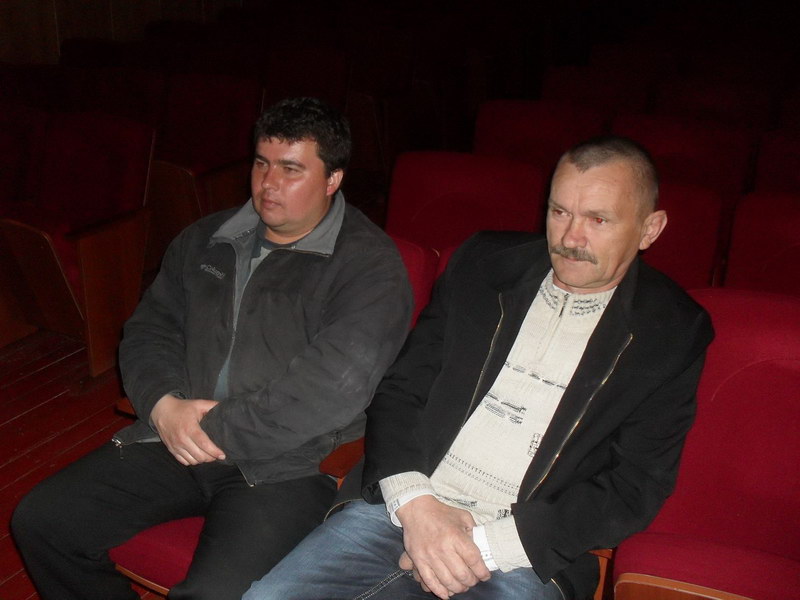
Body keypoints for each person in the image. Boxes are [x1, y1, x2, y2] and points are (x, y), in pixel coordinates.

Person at [243, 135, 715, 600]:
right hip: (404, 505)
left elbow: (635, 484)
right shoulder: (483, 265)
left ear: (650, 228)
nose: (571, 239)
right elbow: (402, 389)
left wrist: (482, 546)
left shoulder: (671, 332)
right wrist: (418, 509)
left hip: (523, 551)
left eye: (598, 219)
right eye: (559, 212)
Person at [11, 97, 413, 600]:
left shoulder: (369, 267)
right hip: (174, 437)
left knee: (214, 594)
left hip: (287, 463)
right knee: (43, 521)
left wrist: (204, 430)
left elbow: (328, 390)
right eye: (261, 163)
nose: (268, 183)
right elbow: (150, 330)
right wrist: (163, 407)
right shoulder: (207, 238)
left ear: (333, 179)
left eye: (291, 169)